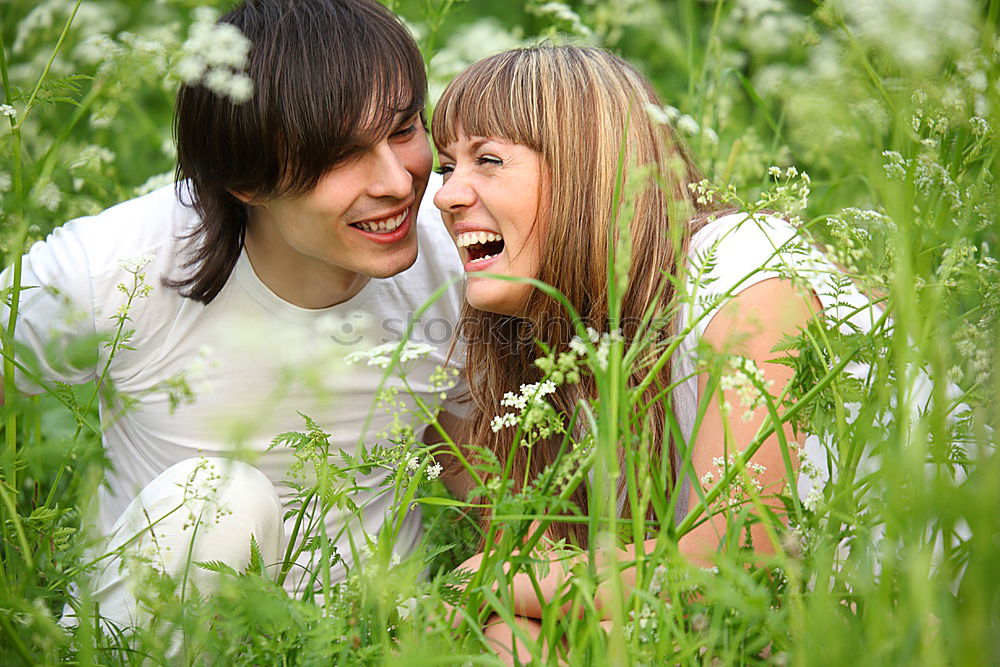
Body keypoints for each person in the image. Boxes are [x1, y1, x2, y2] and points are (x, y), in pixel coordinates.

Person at [0, 0, 465, 630]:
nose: (399, 181)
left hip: (366, 637)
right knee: (220, 501)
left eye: (405, 130)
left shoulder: (462, 258)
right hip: (160, 633)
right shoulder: (117, 270)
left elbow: (496, 498)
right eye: (340, 155)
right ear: (244, 178)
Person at [429, 45, 874, 662]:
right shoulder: (534, 347)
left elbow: (744, 560)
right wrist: (501, 582)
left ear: (587, 168)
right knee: (508, 637)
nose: (446, 196)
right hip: (744, 630)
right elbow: (536, 560)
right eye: (447, 166)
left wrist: (490, 580)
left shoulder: (748, 268)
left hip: (898, 621)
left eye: (489, 159)